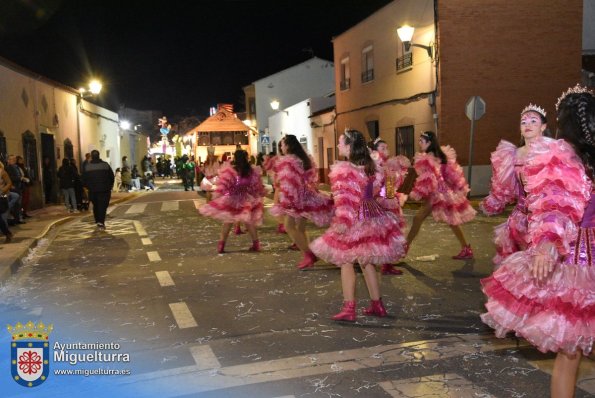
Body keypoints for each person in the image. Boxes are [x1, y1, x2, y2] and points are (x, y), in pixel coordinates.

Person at [481, 84, 595, 398]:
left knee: (571, 353)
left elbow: (557, 202)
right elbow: (555, 202)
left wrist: (547, 241)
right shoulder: (558, 155)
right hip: (573, 252)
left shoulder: (565, 154)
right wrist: (546, 239)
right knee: (572, 350)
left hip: (580, 254)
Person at [310, 129, 406, 321]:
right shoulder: (375, 165)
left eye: (340, 142)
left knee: (346, 261)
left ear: (350, 146)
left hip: (353, 220)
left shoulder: (344, 170)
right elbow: (388, 193)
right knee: (366, 261)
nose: (338, 145)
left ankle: (349, 308)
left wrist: (341, 224)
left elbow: (345, 202)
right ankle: (377, 304)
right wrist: (381, 203)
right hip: (373, 217)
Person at [480, 104, 548, 266]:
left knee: (538, 267)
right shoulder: (512, 154)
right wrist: (493, 202)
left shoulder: (551, 152)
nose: (528, 125)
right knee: (517, 268)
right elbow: (505, 189)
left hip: (543, 219)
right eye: (524, 122)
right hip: (519, 220)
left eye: (533, 121)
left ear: (543, 127)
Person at [407, 131, 476, 259]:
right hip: (443, 193)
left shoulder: (428, 157)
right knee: (451, 221)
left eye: (421, 141)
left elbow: (427, 180)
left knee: (418, 218)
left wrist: (416, 193)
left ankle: (404, 248)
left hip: (436, 194)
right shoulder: (440, 155)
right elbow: (449, 175)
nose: (419, 143)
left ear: (429, 142)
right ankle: (466, 248)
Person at [270, 134, 333, 269]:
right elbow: (310, 179)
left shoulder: (288, 161)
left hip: (295, 198)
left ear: (287, 145)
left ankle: (309, 255)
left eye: (282, 144)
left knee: (289, 227)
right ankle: (308, 254)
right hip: (305, 195)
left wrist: (288, 200)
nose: (281, 147)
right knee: (300, 228)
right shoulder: (303, 159)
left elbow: (289, 183)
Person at [199, 150, 266, 253]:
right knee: (249, 222)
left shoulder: (231, 171)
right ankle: (256, 244)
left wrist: (219, 194)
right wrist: (259, 194)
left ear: (235, 158)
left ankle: (221, 246)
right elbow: (256, 186)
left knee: (228, 222)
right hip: (245, 199)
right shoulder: (251, 171)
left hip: (231, 199)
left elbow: (223, 185)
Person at [370, 137, 410, 275]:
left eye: (387, 147)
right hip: (380, 204)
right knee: (378, 235)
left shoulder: (388, 164)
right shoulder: (376, 165)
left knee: (388, 235)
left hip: (388, 201)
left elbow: (390, 186)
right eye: (383, 148)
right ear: (375, 151)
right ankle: (368, 262)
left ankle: (386, 265)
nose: (386, 150)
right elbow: (376, 187)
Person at [82, 150, 115, 230]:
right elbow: (111, 176)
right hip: (104, 190)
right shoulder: (105, 165)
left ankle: (98, 220)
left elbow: (84, 179)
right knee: (102, 206)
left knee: (96, 205)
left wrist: (88, 186)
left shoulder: (87, 166)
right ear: (99, 155)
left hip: (93, 190)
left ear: (92, 156)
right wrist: (110, 186)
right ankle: (101, 221)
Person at [263, 144, 288, 235]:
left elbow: (269, 168)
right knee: (279, 206)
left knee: (281, 206)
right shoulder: (278, 159)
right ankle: (283, 224)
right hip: (281, 186)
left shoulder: (280, 159)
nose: (282, 148)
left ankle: (284, 225)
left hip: (285, 187)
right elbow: (269, 168)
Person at [0, 161, 14, 242]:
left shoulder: (2, 172)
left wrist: (2, 190)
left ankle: (7, 233)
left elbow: (9, 183)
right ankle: (7, 233)